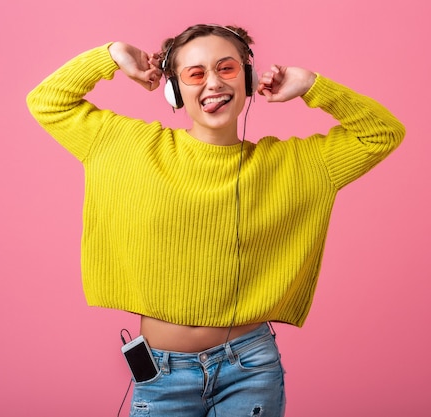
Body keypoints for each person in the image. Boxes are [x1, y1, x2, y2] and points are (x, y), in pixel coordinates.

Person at [27, 23, 405, 417]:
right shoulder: (127, 147)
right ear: (174, 89)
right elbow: (48, 101)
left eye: (226, 68)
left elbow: (381, 133)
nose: (212, 83)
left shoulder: (294, 164)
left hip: (251, 368)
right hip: (161, 373)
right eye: (195, 73)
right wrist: (112, 54)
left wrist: (312, 86)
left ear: (248, 77)